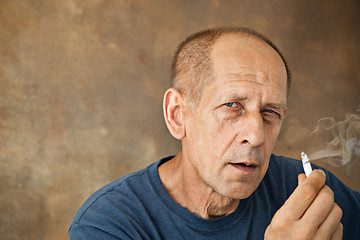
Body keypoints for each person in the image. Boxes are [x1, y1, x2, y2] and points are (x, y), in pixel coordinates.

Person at [69, 27, 360, 239]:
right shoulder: (109, 224)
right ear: (177, 115)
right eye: (232, 105)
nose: (256, 136)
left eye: (270, 112)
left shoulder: (307, 192)